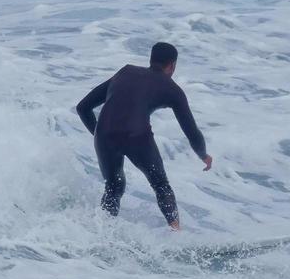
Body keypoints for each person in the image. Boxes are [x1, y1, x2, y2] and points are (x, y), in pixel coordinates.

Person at [76, 42, 213, 230]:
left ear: (151, 59)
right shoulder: (172, 89)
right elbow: (191, 131)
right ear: (172, 65)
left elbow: (83, 107)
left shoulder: (125, 72)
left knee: (114, 187)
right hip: (136, 137)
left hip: (104, 135)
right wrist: (203, 155)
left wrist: (100, 136)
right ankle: (176, 232)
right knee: (161, 185)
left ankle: (103, 232)